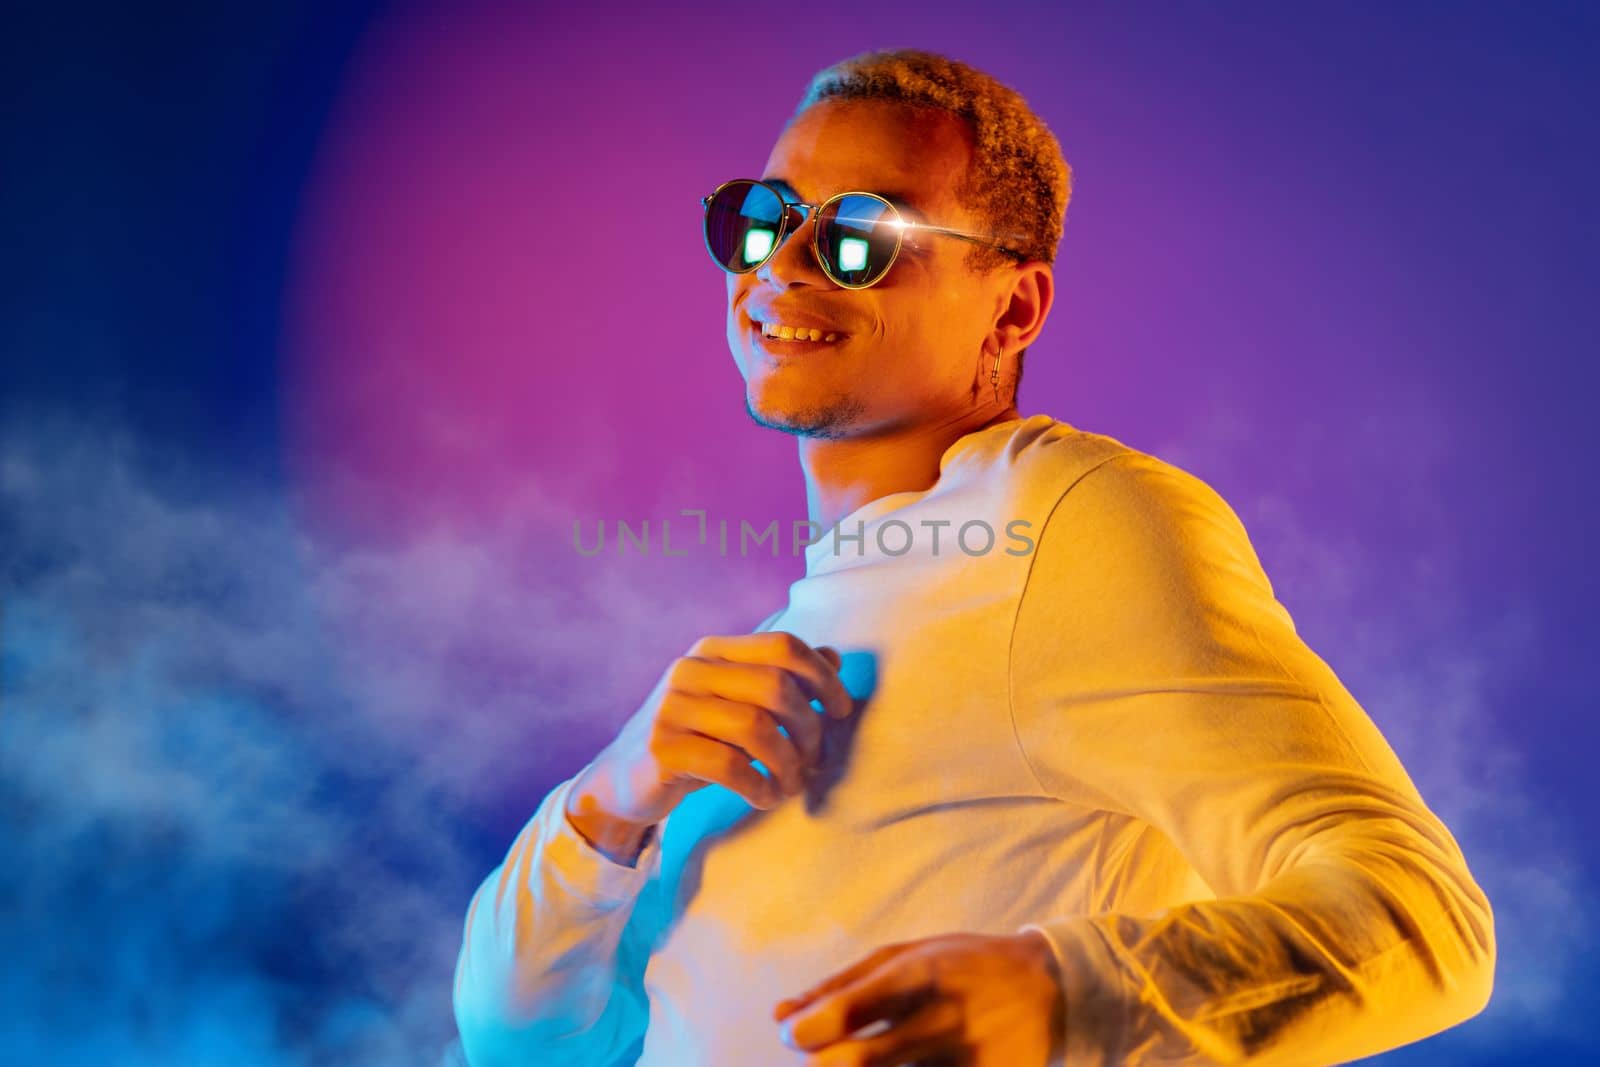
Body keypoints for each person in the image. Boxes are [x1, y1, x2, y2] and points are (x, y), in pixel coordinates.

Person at [451, 49, 1495, 1066]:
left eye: (860, 234)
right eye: (760, 219)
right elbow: (524, 1040)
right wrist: (611, 798)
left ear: (1012, 306)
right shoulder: (777, 653)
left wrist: (1066, 992)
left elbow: (1422, 919)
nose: (782, 264)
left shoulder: (1068, 518)